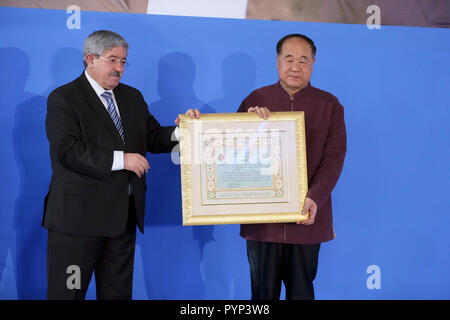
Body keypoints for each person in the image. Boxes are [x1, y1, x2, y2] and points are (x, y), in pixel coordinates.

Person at [43, 30, 200, 299]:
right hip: (77, 223)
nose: (119, 69)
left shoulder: (132, 97)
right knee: (67, 294)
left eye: (124, 62)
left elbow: (152, 137)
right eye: (113, 60)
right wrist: (121, 160)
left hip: (122, 221)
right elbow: (67, 151)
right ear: (90, 59)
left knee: (118, 295)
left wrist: (184, 130)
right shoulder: (64, 98)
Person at [237, 34, 347, 300]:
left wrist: (314, 197)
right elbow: (234, 154)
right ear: (277, 62)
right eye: (289, 59)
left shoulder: (329, 105)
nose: (295, 67)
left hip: (306, 217)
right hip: (263, 222)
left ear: (313, 64)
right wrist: (248, 126)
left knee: (301, 293)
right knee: (262, 296)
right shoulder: (256, 99)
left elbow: (334, 159)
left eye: (303, 60)